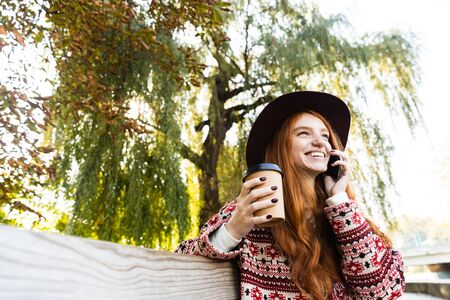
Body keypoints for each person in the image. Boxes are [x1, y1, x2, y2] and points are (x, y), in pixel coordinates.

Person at [176, 91, 404, 299]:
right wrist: (234, 229)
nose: (319, 142)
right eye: (304, 133)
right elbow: (182, 264)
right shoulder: (254, 206)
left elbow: (382, 292)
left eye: (325, 136)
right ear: (281, 147)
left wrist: (339, 199)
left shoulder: (342, 215)